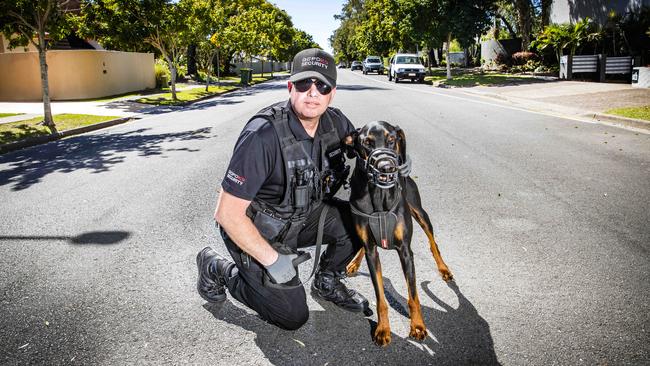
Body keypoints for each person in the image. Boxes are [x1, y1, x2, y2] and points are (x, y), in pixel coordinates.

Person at [197, 48, 368, 331]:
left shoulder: (336, 122)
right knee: (291, 316)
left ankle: (327, 280)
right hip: (258, 227)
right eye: (304, 84)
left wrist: (394, 157)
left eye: (322, 85)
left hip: (304, 215)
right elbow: (227, 214)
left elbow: (366, 146)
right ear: (290, 87)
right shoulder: (262, 134)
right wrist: (273, 260)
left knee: (361, 221)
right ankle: (218, 268)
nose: (313, 92)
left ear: (332, 93)